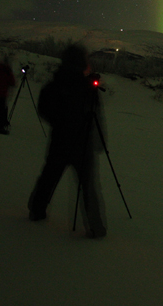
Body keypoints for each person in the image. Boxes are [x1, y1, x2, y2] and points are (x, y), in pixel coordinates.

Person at [28, 44, 107, 238]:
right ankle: (96, 228)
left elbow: (44, 108)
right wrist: (98, 142)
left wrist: (60, 121)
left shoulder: (56, 84)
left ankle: (36, 210)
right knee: (88, 187)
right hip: (82, 144)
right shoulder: (86, 87)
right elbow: (95, 116)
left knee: (49, 177)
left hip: (60, 141)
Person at [0, 56, 16, 134]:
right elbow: (12, 82)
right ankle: (0, 126)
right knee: (2, 109)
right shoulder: (6, 71)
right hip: (3, 92)